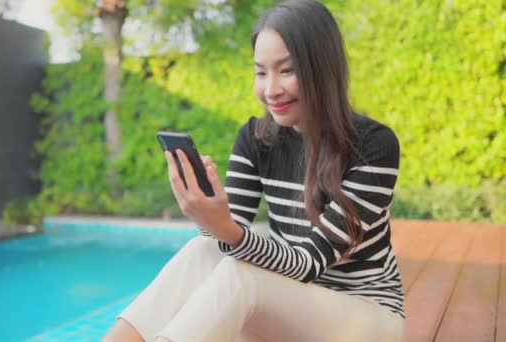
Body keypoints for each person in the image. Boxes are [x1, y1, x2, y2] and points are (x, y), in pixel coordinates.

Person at [103, 0, 405, 341]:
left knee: (240, 275)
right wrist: (208, 218)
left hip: (365, 317)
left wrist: (224, 229)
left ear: (322, 68)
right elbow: (221, 245)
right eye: (261, 72)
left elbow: (309, 263)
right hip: (287, 307)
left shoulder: (374, 145)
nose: (271, 89)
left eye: (287, 70)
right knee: (201, 250)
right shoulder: (255, 138)